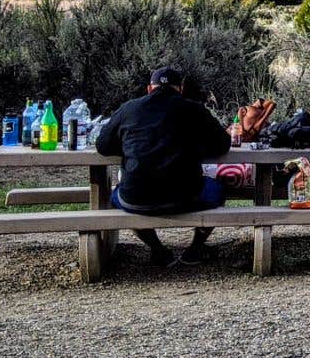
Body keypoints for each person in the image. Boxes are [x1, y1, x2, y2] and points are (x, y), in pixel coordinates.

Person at [95, 67, 233, 266]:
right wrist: (196, 147)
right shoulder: (194, 109)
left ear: (149, 88)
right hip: (186, 196)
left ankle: (157, 249)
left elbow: (102, 146)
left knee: (117, 195)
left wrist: (129, 147)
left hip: (136, 199)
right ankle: (194, 250)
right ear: (180, 89)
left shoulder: (129, 109)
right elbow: (223, 144)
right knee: (218, 189)